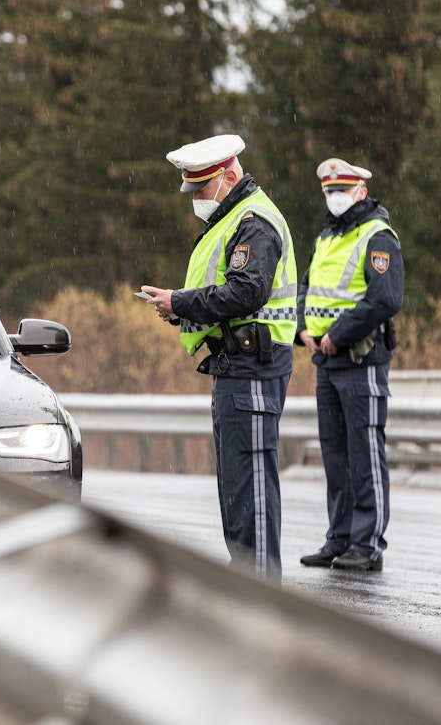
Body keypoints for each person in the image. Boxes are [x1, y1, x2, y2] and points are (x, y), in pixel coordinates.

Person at [141, 133, 298, 581]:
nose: (197, 199)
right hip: (235, 364)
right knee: (237, 483)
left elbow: (247, 292)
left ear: (229, 176)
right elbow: (225, 296)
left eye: (203, 189)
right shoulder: (233, 219)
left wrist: (182, 302)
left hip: (253, 365)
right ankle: (247, 582)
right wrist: (178, 308)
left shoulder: (254, 221)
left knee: (251, 484)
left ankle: (262, 590)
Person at [297, 158, 404, 572]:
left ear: (361, 191)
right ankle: (339, 539)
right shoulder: (327, 236)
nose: (334, 198)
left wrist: (336, 335)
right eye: (329, 191)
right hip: (325, 361)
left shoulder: (378, 236)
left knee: (365, 454)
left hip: (361, 361)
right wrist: (302, 330)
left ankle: (368, 544)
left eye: (341, 190)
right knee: (336, 456)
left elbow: (385, 298)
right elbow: (308, 287)